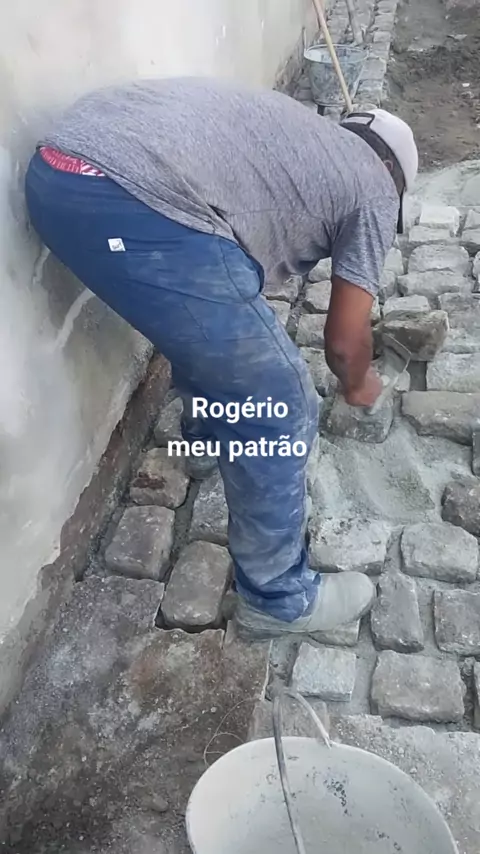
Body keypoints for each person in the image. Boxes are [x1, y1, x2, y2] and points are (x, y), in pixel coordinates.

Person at [25, 77, 418, 641]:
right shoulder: (375, 186)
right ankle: (277, 597)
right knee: (279, 403)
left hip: (58, 171)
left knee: (216, 322)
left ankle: (207, 439)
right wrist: (359, 384)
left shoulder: (303, 138)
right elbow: (342, 340)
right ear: (394, 173)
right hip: (124, 199)